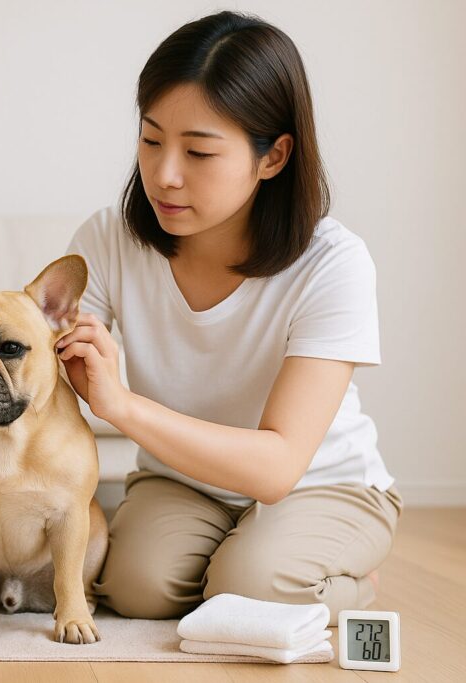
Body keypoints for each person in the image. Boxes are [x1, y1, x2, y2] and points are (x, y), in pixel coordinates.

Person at [57, 11, 400, 625]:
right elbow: (41, 360)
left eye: (199, 151)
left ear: (273, 158)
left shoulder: (333, 262)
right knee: (136, 590)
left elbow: (277, 467)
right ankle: (245, 561)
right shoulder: (109, 239)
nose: (163, 174)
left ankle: (346, 574)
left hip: (319, 484)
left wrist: (122, 404)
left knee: (248, 588)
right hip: (183, 481)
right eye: (151, 138)